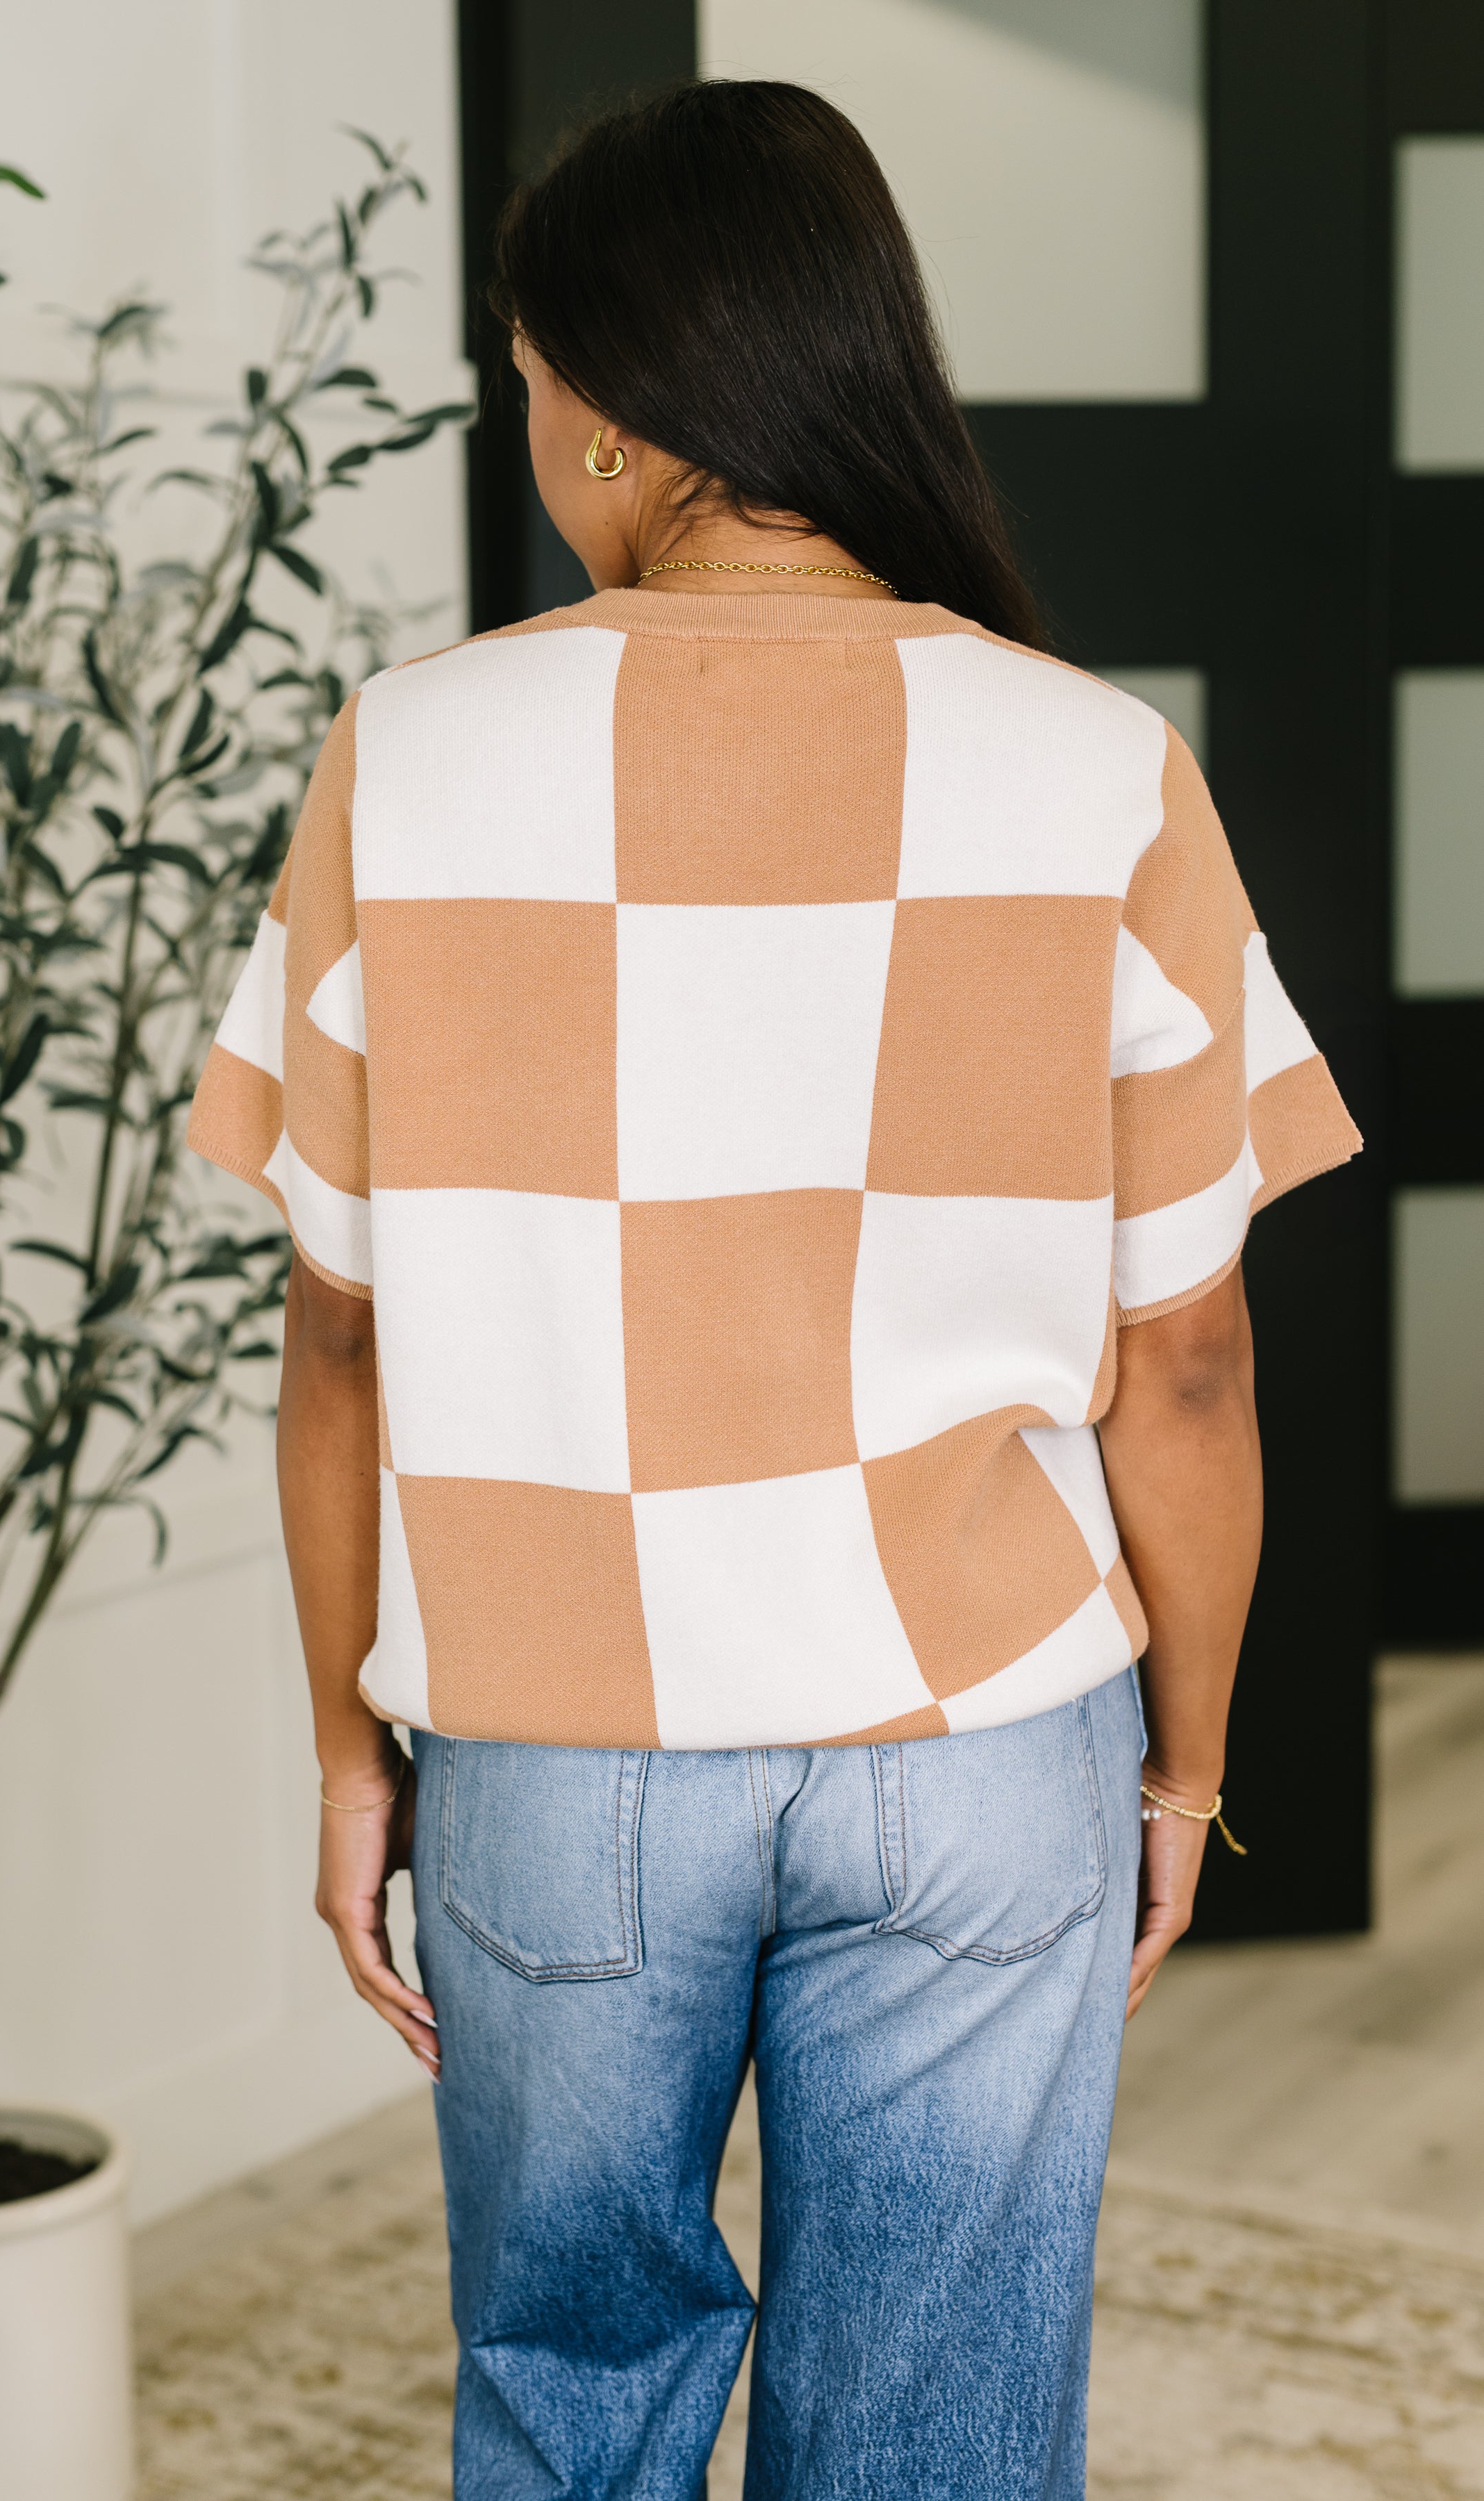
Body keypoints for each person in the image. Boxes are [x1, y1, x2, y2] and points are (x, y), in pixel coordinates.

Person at [188, 78, 1361, 2501]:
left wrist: (343, 1749)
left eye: (526, 384)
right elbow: (1186, 1357)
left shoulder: (404, 762)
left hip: (558, 1740)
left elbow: (341, 1333)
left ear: (613, 411)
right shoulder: (1095, 770)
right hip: (978, 1744)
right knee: (936, 2433)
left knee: (573, 2387)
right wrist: (1192, 1757)